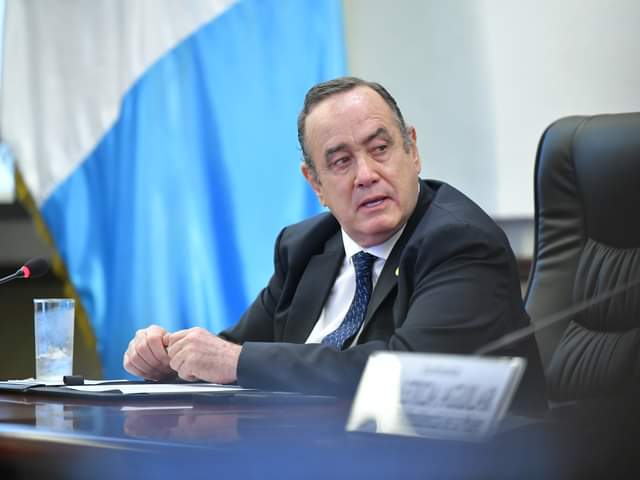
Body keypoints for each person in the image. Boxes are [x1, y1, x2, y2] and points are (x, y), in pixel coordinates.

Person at [124, 77, 546, 413]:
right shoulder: (304, 247)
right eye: (341, 161)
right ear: (316, 184)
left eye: (380, 149)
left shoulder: (460, 242)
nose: (366, 174)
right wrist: (170, 359)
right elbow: (230, 353)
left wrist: (232, 361)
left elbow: (409, 374)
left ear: (413, 151)